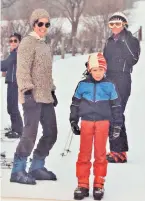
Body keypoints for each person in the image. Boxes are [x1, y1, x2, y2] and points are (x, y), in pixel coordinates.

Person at [10, 9, 58, 185]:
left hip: (46, 96)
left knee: (51, 133)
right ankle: (17, 170)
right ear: (33, 24)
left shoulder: (44, 44)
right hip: (31, 96)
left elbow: (46, 72)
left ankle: (37, 166)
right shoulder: (28, 43)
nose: (43, 27)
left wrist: (52, 90)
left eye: (47, 24)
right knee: (30, 133)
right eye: (40, 24)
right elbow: (22, 70)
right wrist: (27, 91)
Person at [70, 53, 123, 200]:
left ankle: (99, 184)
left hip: (103, 123)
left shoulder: (110, 85)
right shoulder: (82, 85)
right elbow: (75, 104)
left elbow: (116, 106)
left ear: (105, 70)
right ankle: (82, 184)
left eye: (101, 69)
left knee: (100, 155)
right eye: (95, 70)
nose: (98, 73)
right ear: (89, 70)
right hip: (86, 122)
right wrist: (73, 120)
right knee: (84, 154)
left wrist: (117, 125)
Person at [103, 12, 140, 163]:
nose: (114, 27)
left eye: (118, 24)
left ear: (124, 24)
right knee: (110, 113)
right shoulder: (109, 41)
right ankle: (116, 150)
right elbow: (104, 59)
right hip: (108, 79)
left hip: (123, 79)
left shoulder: (131, 40)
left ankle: (119, 152)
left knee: (116, 113)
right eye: (111, 24)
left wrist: (124, 42)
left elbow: (134, 58)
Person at [1, 33, 23, 138]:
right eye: (11, 41)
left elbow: (4, 65)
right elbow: (6, 67)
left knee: (12, 107)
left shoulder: (16, 53)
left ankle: (18, 131)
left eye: (15, 41)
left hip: (15, 83)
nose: (13, 43)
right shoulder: (13, 53)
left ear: (19, 42)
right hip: (12, 82)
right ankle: (16, 128)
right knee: (11, 107)